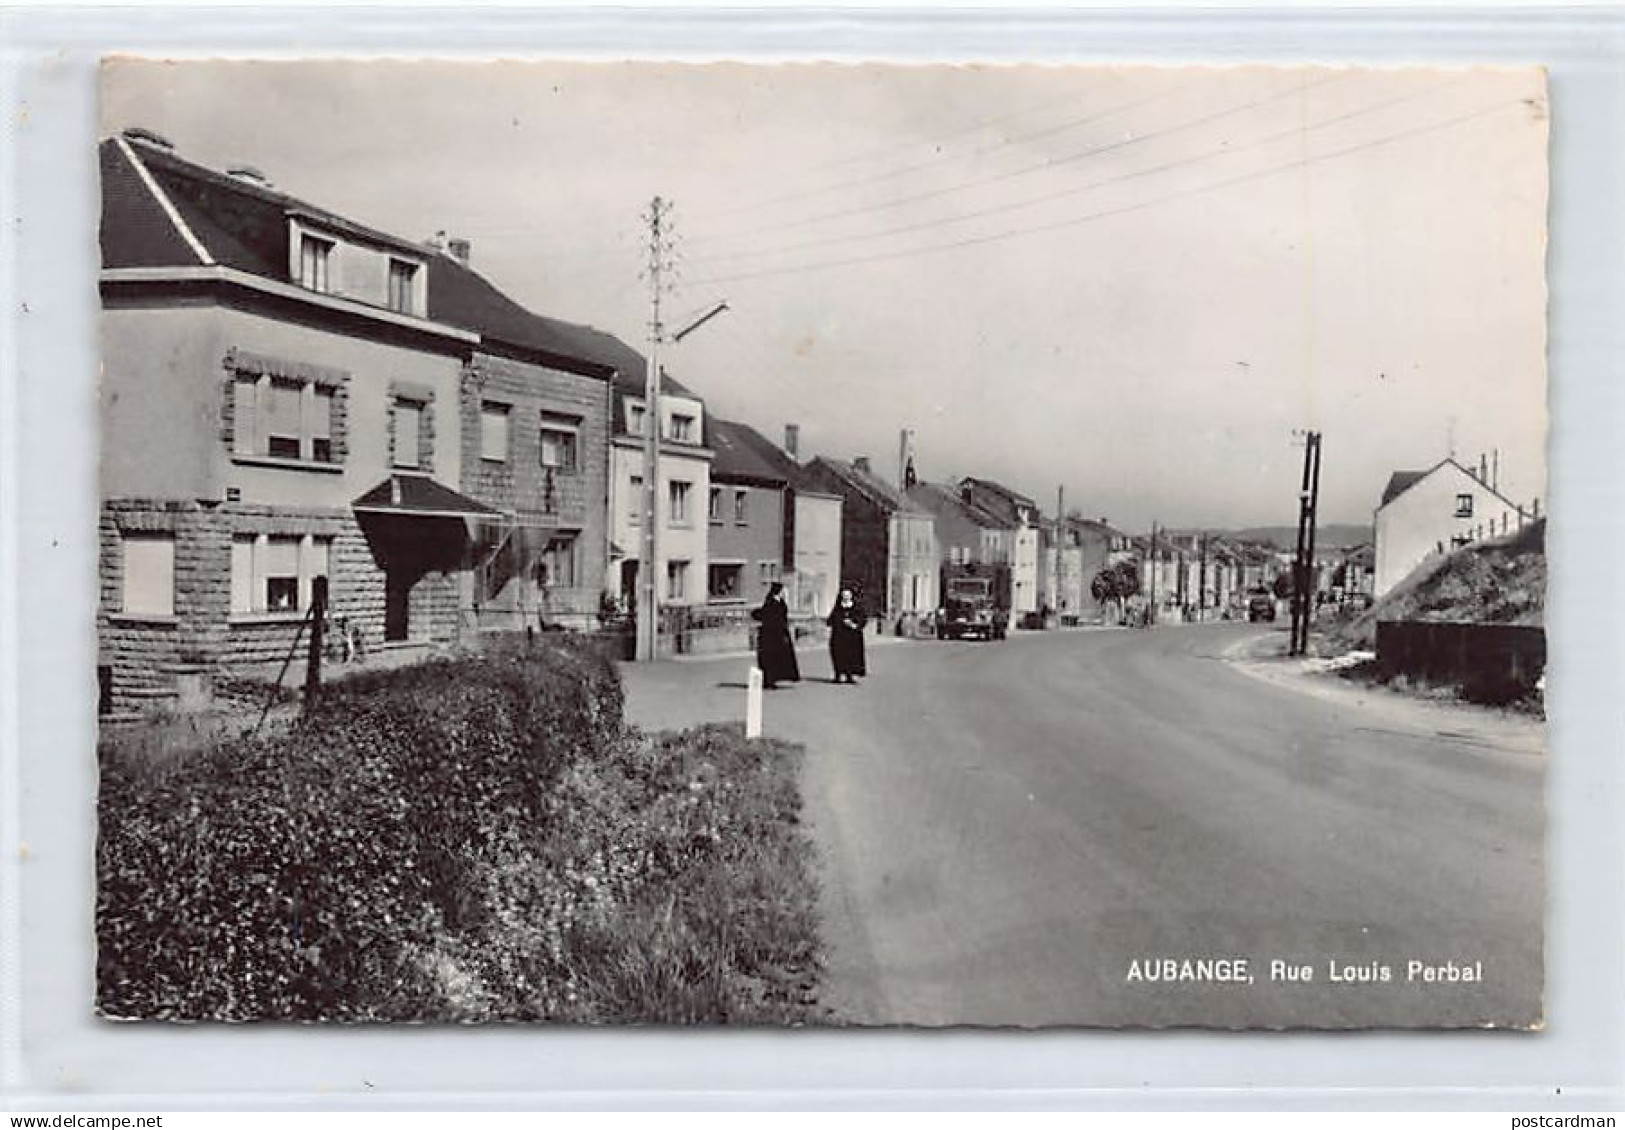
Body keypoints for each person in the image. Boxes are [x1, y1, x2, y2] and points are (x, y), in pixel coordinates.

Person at [750, 581, 800, 689]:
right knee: (770, 658)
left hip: (779, 633)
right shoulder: (770, 602)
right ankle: (769, 680)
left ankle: (775, 678)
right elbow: (766, 615)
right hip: (770, 635)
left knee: (778, 657)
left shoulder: (780, 601)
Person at [826, 587, 868, 684]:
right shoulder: (837, 608)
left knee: (851, 656)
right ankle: (838, 675)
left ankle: (849, 675)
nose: (846, 597)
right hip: (839, 636)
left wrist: (855, 624)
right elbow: (830, 621)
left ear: (851, 596)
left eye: (848, 595)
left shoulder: (857, 607)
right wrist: (840, 621)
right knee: (838, 655)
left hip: (852, 636)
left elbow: (863, 619)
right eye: (844, 595)